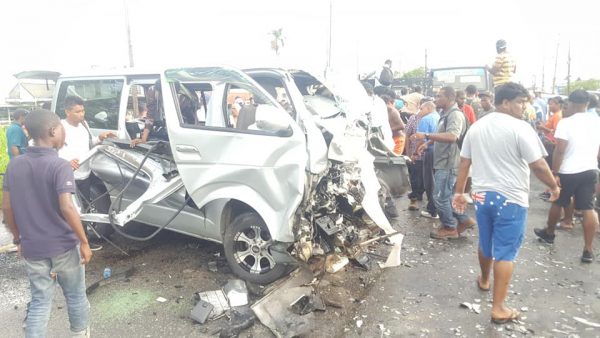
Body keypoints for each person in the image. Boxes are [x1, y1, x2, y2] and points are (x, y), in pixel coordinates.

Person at [452, 82, 560, 324]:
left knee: (486, 241)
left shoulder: (477, 127)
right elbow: (538, 165)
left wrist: (459, 193)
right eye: (520, 102)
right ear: (505, 103)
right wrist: (553, 186)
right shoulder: (520, 128)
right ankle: (498, 307)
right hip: (511, 198)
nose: (524, 107)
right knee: (506, 253)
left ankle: (484, 280)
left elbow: (464, 163)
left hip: (481, 196)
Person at [3, 109, 92, 337]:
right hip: (63, 246)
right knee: (75, 295)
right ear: (53, 131)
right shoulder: (60, 165)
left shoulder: (14, 166)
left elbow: (6, 207)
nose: (64, 134)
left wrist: (18, 238)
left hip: (33, 248)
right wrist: (84, 241)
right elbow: (67, 207)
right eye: (61, 129)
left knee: (40, 301)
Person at [534, 90, 600, 263]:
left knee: (558, 201)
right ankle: (588, 249)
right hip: (590, 169)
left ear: (571, 103)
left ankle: (549, 233)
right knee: (588, 208)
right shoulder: (597, 122)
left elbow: (560, 150)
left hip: (568, 170)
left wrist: (554, 173)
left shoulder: (566, 122)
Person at [414, 86, 476, 239]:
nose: (435, 99)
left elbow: (452, 136)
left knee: (440, 197)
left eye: (439, 96)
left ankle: (449, 227)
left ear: (449, 98)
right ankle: (464, 220)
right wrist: (427, 143)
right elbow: (441, 134)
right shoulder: (445, 114)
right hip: (443, 160)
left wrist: (426, 135)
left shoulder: (455, 115)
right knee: (446, 196)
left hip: (449, 163)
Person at [58, 96, 115, 247]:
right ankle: (76, 244)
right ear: (67, 112)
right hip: (69, 175)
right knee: (72, 210)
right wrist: (66, 162)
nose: (82, 114)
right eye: (78, 111)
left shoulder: (84, 124)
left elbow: (89, 143)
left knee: (84, 207)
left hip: (86, 172)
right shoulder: (59, 127)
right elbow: (51, 151)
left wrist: (100, 138)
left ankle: (84, 242)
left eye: (83, 110)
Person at [404, 100, 433, 210]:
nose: (420, 111)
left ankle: (420, 196)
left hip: (428, 154)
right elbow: (407, 135)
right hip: (416, 155)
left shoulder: (433, 118)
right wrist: (408, 153)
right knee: (415, 178)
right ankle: (414, 200)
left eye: (422, 108)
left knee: (426, 179)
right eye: (419, 108)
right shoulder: (414, 118)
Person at [536, 96, 564, 167]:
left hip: (552, 144)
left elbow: (555, 132)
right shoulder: (555, 114)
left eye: (551, 104)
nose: (549, 106)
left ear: (558, 105)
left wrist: (543, 128)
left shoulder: (558, 116)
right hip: (550, 142)